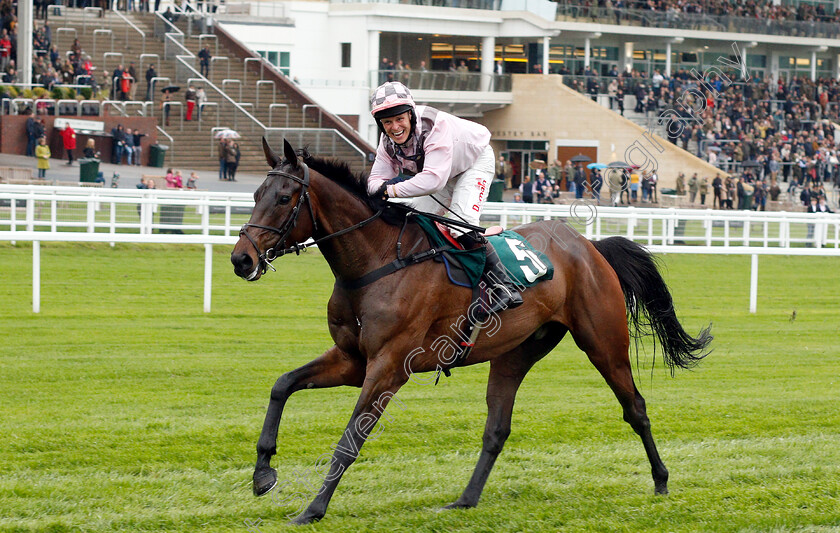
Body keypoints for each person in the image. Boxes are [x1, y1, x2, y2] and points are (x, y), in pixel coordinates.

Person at [366, 81, 522, 315]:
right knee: (413, 219)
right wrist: (381, 190)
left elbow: (432, 181)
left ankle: (505, 286)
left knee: (462, 224)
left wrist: (389, 191)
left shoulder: (434, 125)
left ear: (410, 114)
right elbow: (374, 180)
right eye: (387, 122)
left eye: (399, 119)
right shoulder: (386, 140)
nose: (395, 127)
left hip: (474, 162)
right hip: (443, 172)